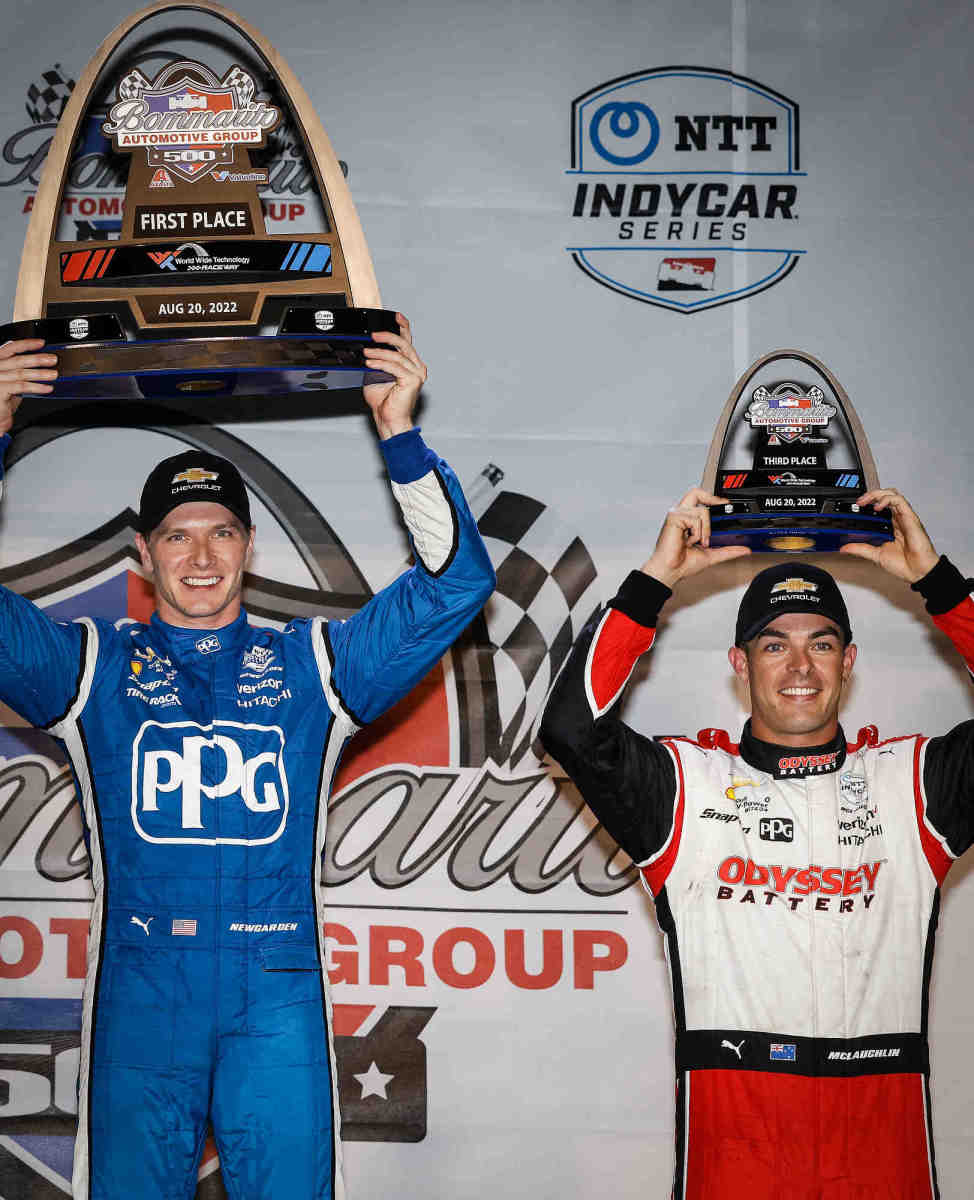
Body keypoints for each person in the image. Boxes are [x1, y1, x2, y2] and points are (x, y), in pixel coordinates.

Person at [0, 322, 495, 1200]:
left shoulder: (313, 666)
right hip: (142, 998)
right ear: (144, 556)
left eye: (222, 532)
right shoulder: (91, 666)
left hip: (275, 1000)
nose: (201, 555)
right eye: (179, 535)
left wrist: (399, 432)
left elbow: (455, 585)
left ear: (249, 548)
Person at [539, 485, 974, 1200]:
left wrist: (940, 585)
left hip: (879, 1147)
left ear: (849, 661)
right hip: (737, 1145)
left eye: (821, 643)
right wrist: (654, 583)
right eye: (775, 644)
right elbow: (569, 731)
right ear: (740, 666)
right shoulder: (686, 786)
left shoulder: (912, 784)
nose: (799, 667)